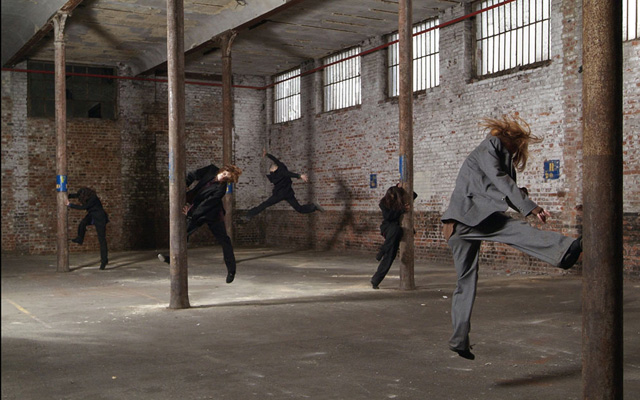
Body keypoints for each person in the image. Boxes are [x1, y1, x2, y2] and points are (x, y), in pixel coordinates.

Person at [441, 115, 583, 360]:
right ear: (511, 140)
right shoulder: (490, 146)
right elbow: (500, 180)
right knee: (515, 230)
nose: (518, 153)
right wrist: (531, 207)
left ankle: (459, 340)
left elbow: (496, 188)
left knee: (465, 283)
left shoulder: (489, 154)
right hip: (469, 220)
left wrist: (523, 202)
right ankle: (565, 251)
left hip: (456, 226)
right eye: (518, 147)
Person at [158, 163, 242, 284]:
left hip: (213, 214)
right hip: (198, 207)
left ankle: (231, 271)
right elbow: (194, 174)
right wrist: (185, 183)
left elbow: (208, 203)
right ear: (223, 170)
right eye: (224, 174)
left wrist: (191, 212)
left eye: (227, 178)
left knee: (225, 240)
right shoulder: (211, 170)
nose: (223, 177)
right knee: (184, 232)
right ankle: (172, 259)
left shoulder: (221, 189)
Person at [241, 148, 322, 222]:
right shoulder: (281, 166)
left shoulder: (278, 173)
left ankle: (249, 215)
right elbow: (275, 160)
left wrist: (299, 176)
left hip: (280, 194)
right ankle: (313, 207)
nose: (271, 170)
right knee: (299, 208)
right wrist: (267, 154)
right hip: (288, 193)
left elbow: (287, 174)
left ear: (273, 169)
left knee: (265, 204)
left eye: (271, 169)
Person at [371, 183, 417, 289]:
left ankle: (375, 280)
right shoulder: (383, 203)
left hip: (396, 232)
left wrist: (401, 187)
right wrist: (401, 210)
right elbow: (388, 216)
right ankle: (382, 250)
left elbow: (413, 195)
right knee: (395, 230)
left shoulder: (400, 200)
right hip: (388, 228)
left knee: (389, 257)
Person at [67, 187, 109, 270]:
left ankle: (104, 260)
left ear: (85, 195)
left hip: (100, 217)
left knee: (102, 239)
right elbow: (76, 195)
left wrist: (70, 205)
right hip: (92, 215)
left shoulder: (93, 199)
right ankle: (80, 238)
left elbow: (83, 207)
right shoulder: (86, 195)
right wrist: (68, 195)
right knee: (82, 223)